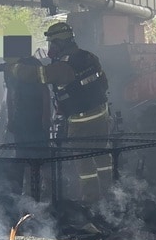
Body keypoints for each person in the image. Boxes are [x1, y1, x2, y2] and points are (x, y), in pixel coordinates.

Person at [6, 21, 112, 201]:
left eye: (52, 44)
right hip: (101, 114)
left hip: (81, 121)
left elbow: (39, 75)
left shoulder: (64, 66)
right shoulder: (89, 57)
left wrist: (12, 67)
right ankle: (110, 195)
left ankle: (91, 200)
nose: (50, 48)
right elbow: (104, 83)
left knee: (84, 162)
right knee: (102, 156)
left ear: (61, 43)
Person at [0, 32, 51, 195]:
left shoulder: (34, 64)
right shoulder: (9, 69)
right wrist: (11, 118)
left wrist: (46, 117)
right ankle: (24, 191)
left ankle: (45, 188)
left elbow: (44, 92)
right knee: (22, 155)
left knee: (41, 156)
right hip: (21, 120)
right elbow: (11, 94)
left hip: (36, 118)